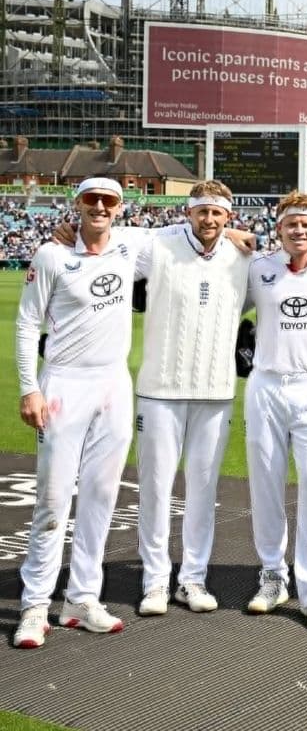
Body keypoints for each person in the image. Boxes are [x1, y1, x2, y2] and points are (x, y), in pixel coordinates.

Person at [12, 178, 149, 646]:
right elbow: (29, 322)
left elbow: (192, 234)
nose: (99, 206)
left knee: (101, 495)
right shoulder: (53, 255)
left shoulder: (132, 245)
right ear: (78, 205)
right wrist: (30, 388)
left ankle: (81, 598)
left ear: (119, 208)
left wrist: (233, 234)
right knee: (52, 499)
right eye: (91, 199)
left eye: (108, 200)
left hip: (113, 383)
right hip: (64, 383)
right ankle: (34, 605)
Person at [134, 180, 253, 616]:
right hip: (159, 390)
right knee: (156, 488)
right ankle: (154, 582)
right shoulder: (157, 244)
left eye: (217, 213)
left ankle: (193, 580)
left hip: (216, 391)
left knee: (202, 489)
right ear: (189, 212)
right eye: (202, 211)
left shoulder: (243, 257)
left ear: (229, 216)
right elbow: (107, 249)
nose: (209, 220)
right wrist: (66, 234)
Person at [241, 192, 307, 628]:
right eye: (291, 224)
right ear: (278, 228)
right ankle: (272, 576)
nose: (299, 230)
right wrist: (230, 231)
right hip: (265, 385)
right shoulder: (258, 269)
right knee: (266, 485)